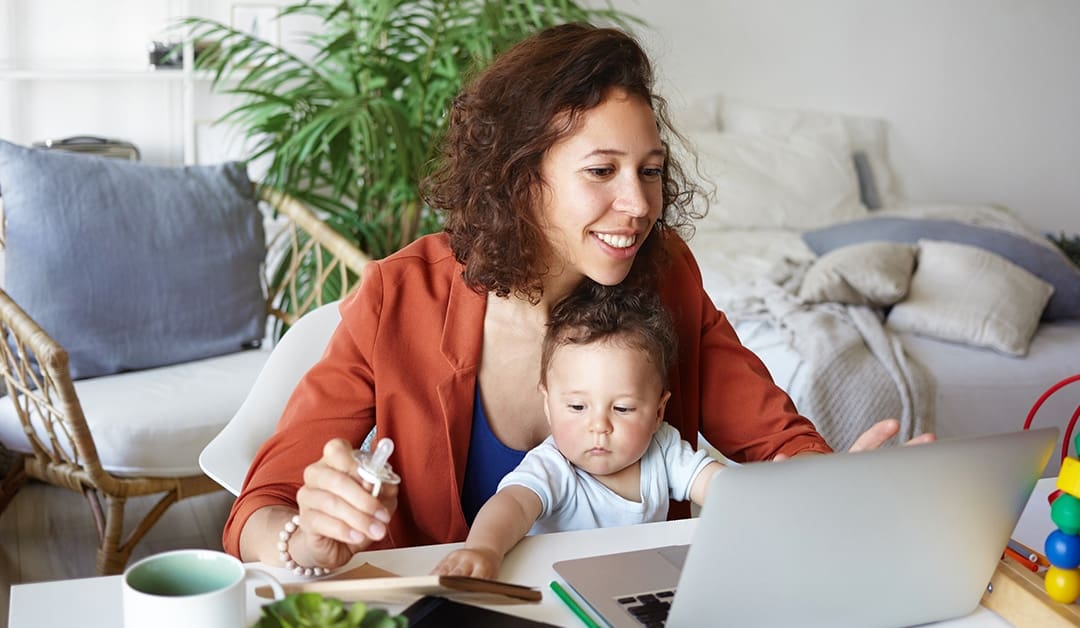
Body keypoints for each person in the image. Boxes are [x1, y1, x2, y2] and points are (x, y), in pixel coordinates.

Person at [225, 22, 932, 574]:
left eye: (650, 171)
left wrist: (836, 485)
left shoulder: (668, 277)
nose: (637, 204)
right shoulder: (399, 296)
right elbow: (259, 512)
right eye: (602, 170)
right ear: (519, 175)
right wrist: (307, 539)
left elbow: (775, 442)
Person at [434, 284, 723, 579]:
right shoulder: (554, 466)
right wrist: (484, 549)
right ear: (548, 404)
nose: (599, 426)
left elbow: (719, 486)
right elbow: (513, 505)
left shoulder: (663, 449)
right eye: (576, 407)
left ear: (658, 412)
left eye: (622, 409)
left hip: (633, 587)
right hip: (556, 590)